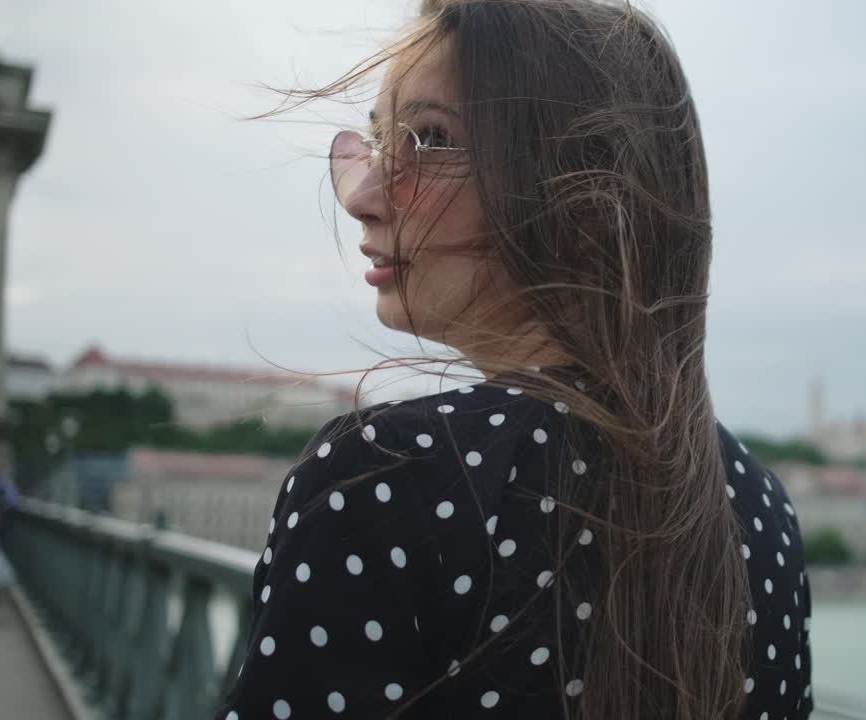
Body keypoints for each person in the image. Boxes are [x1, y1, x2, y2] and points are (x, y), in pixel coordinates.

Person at [217, 1, 813, 718]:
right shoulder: (758, 509)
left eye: (431, 139)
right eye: (376, 143)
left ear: (588, 194)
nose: (365, 198)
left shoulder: (385, 475)